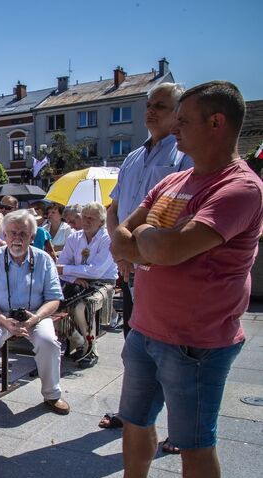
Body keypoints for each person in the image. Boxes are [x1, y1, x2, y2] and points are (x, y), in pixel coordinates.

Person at [78, 81, 263, 478]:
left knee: (195, 442)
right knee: (136, 422)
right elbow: (124, 237)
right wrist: (150, 243)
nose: (172, 128)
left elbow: (171, 247)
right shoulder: (174, 182)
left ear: (217, 123)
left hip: (197, 341)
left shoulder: (238, 188)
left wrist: (148, 242)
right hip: (146, 328)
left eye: (184, 120)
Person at [107, 82, 192, 340]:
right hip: (127, 266)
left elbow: (184, 215)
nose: (150, 111)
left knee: (161, 343)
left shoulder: (184, 156)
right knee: (133, 340)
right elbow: (114, 210)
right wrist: (121, 252)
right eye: (148, 106)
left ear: (178, 112)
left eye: (160, 106)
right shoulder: (132, 157)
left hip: (158, 266)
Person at [0, 210, 67, 416]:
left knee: (49, 342)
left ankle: (52, 394)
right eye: (12, 233)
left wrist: (35, 318)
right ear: (5, 235)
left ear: (32, 237)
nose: (17, 238)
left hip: (34, 314)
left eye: (23, 234)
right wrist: (2, 319)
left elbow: (54, 298)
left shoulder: (44, 260)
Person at [56, 202, 117, 368]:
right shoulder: (74, 237)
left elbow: (96, 272)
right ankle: (78, 340)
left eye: (92, 218)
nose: (86, 221)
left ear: (101, 221)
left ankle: (91, 350)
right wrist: (73, 278)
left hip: (103, 282)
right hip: (76, 281)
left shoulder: (107, 238)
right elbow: (59, 266)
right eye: (84, 217)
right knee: (54, 304)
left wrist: (68, 270)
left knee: (82, 307)